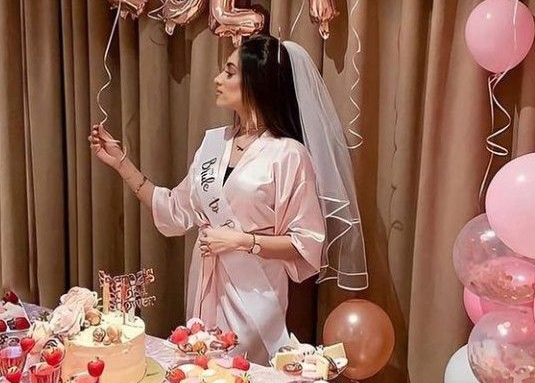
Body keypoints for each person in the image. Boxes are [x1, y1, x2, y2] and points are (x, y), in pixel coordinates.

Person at [90, 34, 367, 363]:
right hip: (206, 284)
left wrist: (241, 240)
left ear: (256, 82)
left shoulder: (288, 155)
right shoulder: (214, 145)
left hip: (254, 294)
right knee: (200, 375)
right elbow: (175, 210)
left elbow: (306, 243)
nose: (218, 79)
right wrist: (121, 163)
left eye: (230, 72)